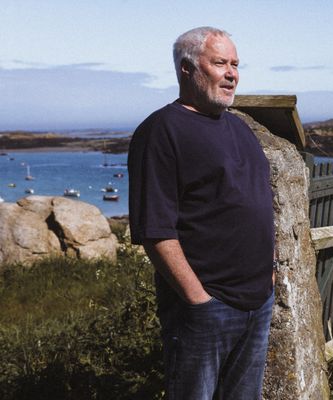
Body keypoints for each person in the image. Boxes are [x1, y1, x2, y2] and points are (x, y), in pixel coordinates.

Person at [128, 26, 275, 400]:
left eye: (236, 64)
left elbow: (259, 203)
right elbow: (154, 229)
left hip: (257, 303)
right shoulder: (161, 131)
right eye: (220, 63)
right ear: (187, 69)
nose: (232, 73)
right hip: (205, 309)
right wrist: (198, 300)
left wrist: (269, 275)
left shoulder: (239, 128)